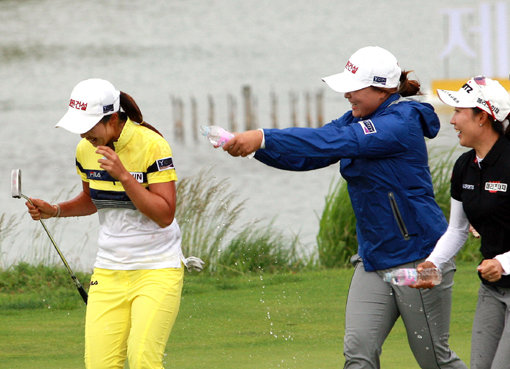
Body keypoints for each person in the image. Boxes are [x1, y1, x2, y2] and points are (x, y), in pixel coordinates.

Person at [222, 46, 467, 368]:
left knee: (434, 360)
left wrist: (264, 136)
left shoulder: (399, 123)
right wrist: (256, 150)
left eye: (355, 88)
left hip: (417, 259)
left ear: (381, 90)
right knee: (358, 356)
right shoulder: (359, 118)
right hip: (374, 260)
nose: (347, 95)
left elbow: (335, 143)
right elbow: (313, 152)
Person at [25, 78, 203, 369]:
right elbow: (93, 198)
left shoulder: (153, 145)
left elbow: (164, 214)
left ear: (113, 118)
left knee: (143, 358)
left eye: (90, 125)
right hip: (108, 271)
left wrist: (124, 176)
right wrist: (54, 210)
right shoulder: (86, 149)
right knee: (99, 365)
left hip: (156, 269)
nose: (83, 134)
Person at [415, 76, 510, 369]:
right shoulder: (464, 166)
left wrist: (505, 263)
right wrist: (434, 263)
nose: (452, 120)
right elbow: (457, 229)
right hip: (492, 290)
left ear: (482, 117)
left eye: (458, 112)